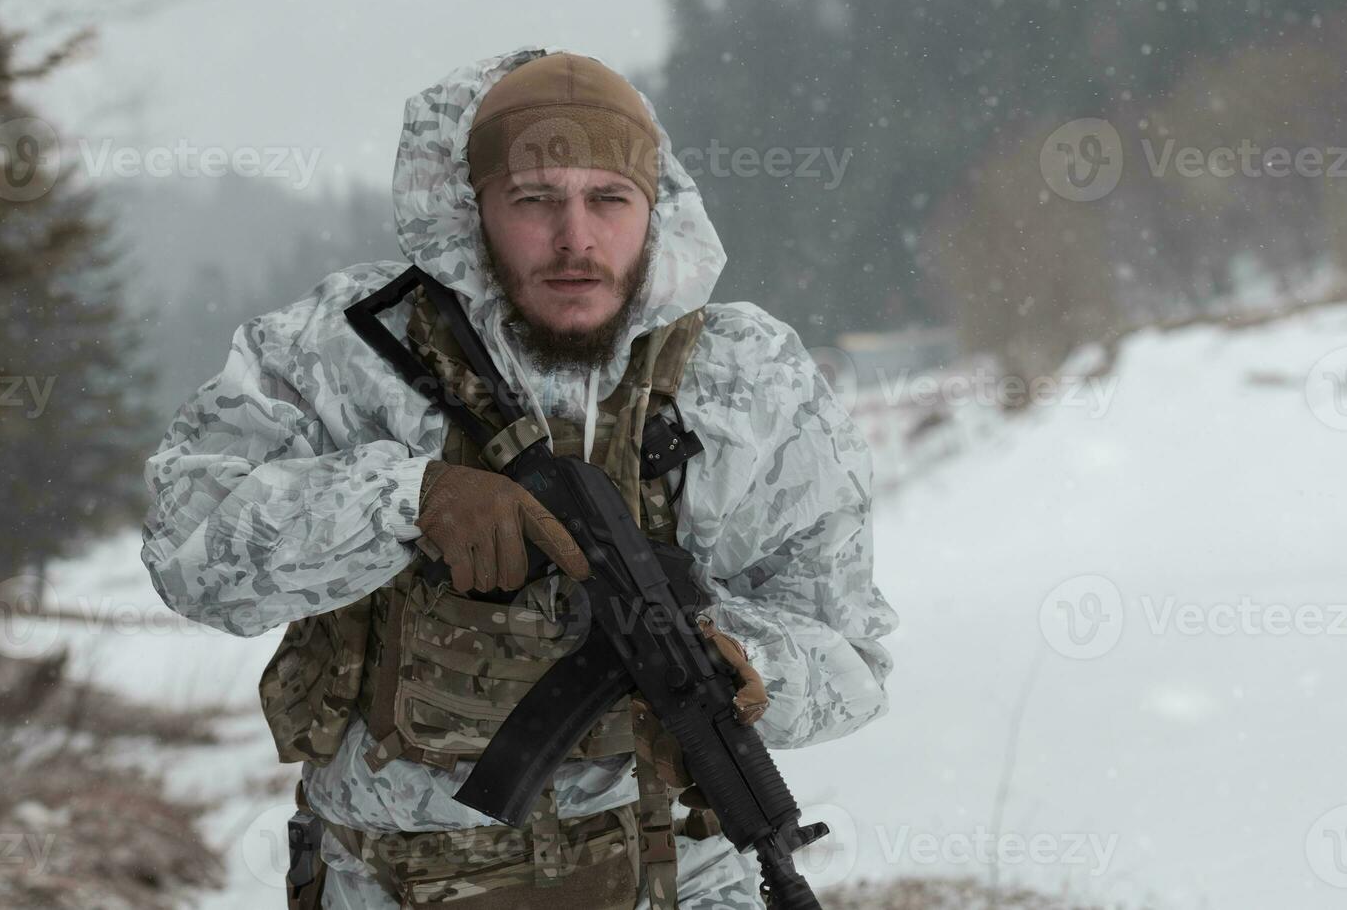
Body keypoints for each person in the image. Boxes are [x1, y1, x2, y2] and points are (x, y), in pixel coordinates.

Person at [141, 47, 898, 909]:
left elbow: (854, 657)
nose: (575, 237)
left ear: (656, 211)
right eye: (535, 200)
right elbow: (188, 552)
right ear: (474, 210)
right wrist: (404, 499)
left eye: (609, 200)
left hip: (679, 881)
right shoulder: (340, 353)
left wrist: (750, 667)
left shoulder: (748, 380)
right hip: (390, 882)